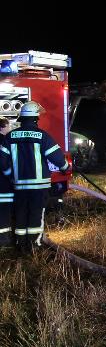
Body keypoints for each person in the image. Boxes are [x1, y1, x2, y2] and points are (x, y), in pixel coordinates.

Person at [0, 101, 69, 253]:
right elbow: (57, 157)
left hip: (19, 186)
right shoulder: (42, 136)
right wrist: (66, 168)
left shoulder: (10, 136)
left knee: (21, 213)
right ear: (36, 118)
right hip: (39, 186)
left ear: (22, 118)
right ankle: (34, 246)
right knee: (36, 215)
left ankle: (20, 243)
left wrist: (11, 175)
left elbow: (2, 161)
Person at [0, 117, 13, 247]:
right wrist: (11, 175)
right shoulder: (4, 141)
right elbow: (5, 163)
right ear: (2, 127)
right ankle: (4, 240)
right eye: (8, 126)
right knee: (4, 212)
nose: (10, 129)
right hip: (3, 184)